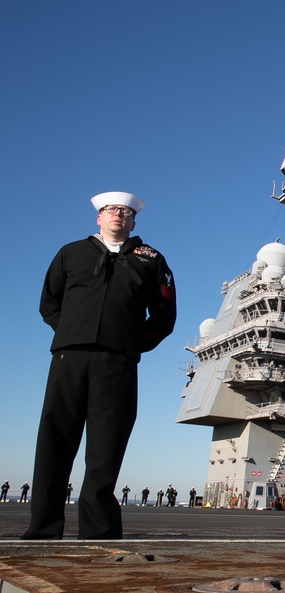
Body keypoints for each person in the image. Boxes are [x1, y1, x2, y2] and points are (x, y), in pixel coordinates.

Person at [22, 192, 176, 540]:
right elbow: (50, 302)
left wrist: (132, 344)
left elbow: (165, 315)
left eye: (125, 212)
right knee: (54, 441)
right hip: (69, 358)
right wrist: (70, 333)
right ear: (99, 217)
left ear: (134, 221)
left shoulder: (150, 259)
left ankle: (99, 533)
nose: (118, 215)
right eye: (111, 210)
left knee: (106, 449)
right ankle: (43, 529)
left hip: (117, 363)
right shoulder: (71, 253)